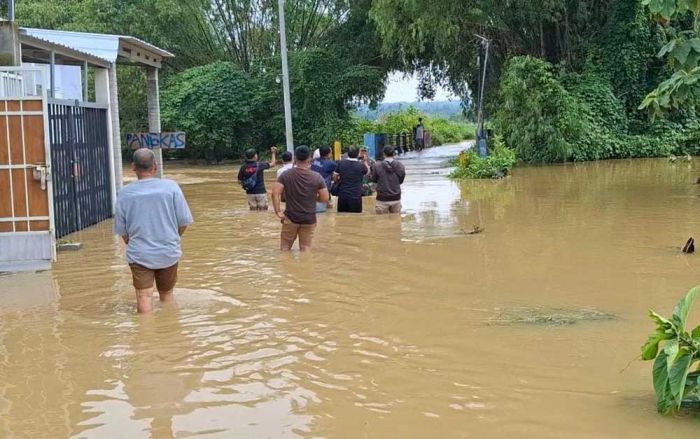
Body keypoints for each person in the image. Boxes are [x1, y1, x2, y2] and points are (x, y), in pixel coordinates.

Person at [113, 148, 194, 313]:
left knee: (144, 296)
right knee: (167, 294)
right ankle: (169, 331)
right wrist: (171, 237)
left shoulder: (124, 193)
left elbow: (122, 231)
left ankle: (145, 336)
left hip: (140, 253)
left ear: (133, 167)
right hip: (168, 251)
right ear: (155, 166)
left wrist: (136, 243)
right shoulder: (171, 188)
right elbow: (184, 221)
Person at [272, 145, 329, 252]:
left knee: (284, 248)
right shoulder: (317, 177)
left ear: (295, 158)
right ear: (310, 159)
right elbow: (325, 198)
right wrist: (312, 197)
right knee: (305, 249)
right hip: (309, 218)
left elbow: (275, 193)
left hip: (291, 217)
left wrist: (278, 211)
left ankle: (286, 268)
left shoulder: (286, 175)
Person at [237, 146, 277, 210]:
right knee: (263, 212)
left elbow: (239, 181)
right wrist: (273, 153)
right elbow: (273, 164)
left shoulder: (243, 167)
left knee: (253, 211)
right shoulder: (260, 165)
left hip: (250, 193)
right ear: (255, 156)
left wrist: (246, 184)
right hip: (261, 192)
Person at [371, 146, 406, 214]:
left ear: (384, 154)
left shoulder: (377, 166)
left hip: (382, 199)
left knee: (381, 222)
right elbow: (401, 181)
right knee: (395, 222)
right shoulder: (400, 165)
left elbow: (374, 179)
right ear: (394, 153)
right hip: (396, 198)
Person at [335, 146, 369, 213]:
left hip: (343, 195)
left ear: (348, 153)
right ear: (358, 154)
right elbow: (367, 173)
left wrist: (337, 182)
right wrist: (365, 162)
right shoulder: (361, 165)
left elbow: (335, 176)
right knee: (356, 219)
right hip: (356, 196)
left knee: (341, 219)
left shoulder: (341, 163)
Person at [311, 145, 337, 212]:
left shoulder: (314, 161)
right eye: (331, 152)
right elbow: (337, 173)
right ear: (328, 154)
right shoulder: (331, 163)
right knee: (325, 210)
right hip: (323, 189)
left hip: (312, 188)